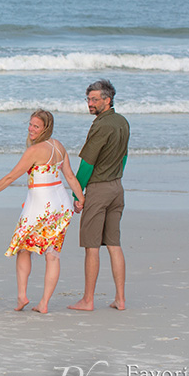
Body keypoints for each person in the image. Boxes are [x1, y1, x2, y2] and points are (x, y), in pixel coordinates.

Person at [0, 110, 84, 314]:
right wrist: (80, 198)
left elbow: (10, 178)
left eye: (36, 126)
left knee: (22, 248)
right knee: (52, 254)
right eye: (30, 124)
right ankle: (43, 303)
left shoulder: (34, 151)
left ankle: (22, 296)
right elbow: (69, 176)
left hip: (40, 206)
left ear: (46, 128)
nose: (31, 129)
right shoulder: (59, 146)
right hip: (61, 205)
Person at [68, 79, 130, 311]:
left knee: (92, 246)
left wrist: (77, 194)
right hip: (117, 187)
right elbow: (123, 157)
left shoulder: (101, 125)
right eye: (88, 99)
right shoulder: (122, 122)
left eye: (95, 99)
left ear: (108, 99)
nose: (90, 104)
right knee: (114, 244)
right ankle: (120, 299)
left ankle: (88, 299)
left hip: (99, 189)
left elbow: (87, 163)